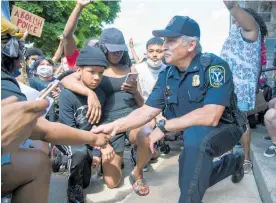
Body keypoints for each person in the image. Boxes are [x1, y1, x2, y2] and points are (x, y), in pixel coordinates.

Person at [92, 15, 247, 203]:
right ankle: (232, 163)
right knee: (191, 178)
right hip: (193, 133)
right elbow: (146, 110)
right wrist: (115, 126)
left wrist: (164, 127)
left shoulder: (214, 67)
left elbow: (211, 115)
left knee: (195, 149)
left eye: (171, 41)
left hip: (225, 127)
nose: (164, 46)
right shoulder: (168, 74)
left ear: (191, 45)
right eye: (165, 40)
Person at [1, 17, 111, 203]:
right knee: (40, 162)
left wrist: (98, 149)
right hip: (74, 140)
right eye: (20, 50)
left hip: (83, 140)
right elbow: (45, 130)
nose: (22, 60)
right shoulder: (5, 83)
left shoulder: (100, 93)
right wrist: (95, 139)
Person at [61, 0, 153, 196]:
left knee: (145, 134)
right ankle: (112, 163)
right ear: (103, 47)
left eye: (120, 48)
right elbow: (66, 79)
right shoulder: (94, 65)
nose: (117, 52)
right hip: (107, 125)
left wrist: (135, 91)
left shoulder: (130, 68)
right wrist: (90, 93)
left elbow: (143, 106)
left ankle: (138, 173)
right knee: (112, 183)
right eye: (112, 48)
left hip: (131, 118)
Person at [220, 0, 268, 173]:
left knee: (241, 122)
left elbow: (235, 9)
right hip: (226, 86)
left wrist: (232, 6)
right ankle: (231, 155)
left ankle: (246, 158)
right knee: (226, 122)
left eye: (238, 17)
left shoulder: (251, 31)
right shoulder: (235, 34)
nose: (234, 20)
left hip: (240, 88)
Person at [58, 45, 108, 203]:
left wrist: (97, 152)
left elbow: (98, 126)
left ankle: (71, 161)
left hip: (87, 139)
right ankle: (72, 188)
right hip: (66, 136)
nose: (97, 77)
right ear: (79, 70)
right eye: (91, 72)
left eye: (101, 73)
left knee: (86, 182)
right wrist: (88, 148)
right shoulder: (67, 95)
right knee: (78, 152)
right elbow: (69, 130)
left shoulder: (100, 94)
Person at [131, 37, 167, 170]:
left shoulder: (168, 69)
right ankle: (138, 151)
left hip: (162, 110)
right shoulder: (137, 69)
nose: (155, 54)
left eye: (159, 51)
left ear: (164, 52)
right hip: (142, 107)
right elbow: (136, 95)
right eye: (151, 51)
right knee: (146, 126)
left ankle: (153, 146)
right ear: (146, 52)